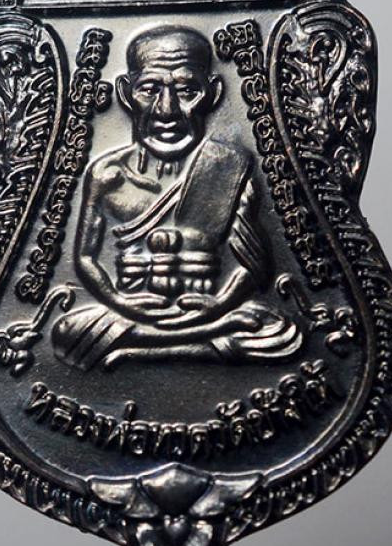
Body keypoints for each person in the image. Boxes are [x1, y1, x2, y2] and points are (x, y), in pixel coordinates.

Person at [52, 25, 301, 370]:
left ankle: (148, 350)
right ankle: (205, 341)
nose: (166, 109)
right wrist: (119, 302)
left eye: (186, 90)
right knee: (66, 332)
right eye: (149, 89)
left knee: (276, 328)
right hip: (131, 313)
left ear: (213, 93)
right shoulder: (108, 174)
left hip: (207, 310)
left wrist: (220, 305)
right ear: (126, 93)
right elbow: (84, 257)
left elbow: (255, 266)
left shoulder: (226, 165)